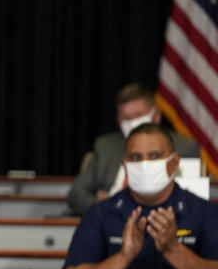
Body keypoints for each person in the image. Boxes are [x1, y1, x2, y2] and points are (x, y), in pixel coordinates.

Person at [63, 123, 218, 269]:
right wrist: (124, 256)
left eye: (154, 156)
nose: (145, 164)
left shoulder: (205, 213)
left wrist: (174, 250)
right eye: (136, 157)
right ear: (125, 166)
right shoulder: (100, 213)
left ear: (174, 163)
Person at [67, 83, 199, 215]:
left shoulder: (185, 148)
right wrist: (104, 205)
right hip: (111, 218)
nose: (133, 122)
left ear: (156, 115)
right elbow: (75, 195)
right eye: (127, 118)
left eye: (138, 115)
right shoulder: (105, 146)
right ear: (119, 121)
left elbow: (190, 201)